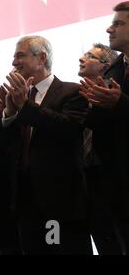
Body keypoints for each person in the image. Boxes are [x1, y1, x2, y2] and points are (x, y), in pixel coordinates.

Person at [0, 35, 92, 254]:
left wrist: (25, 105)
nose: (14, 63)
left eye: (19, 56)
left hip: (59, 203)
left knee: (61, 250)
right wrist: (10, 113)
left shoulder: (72, 92)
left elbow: (67, 129)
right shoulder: (18, 97)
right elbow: (6, 146)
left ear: (41, 58)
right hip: (25, 201)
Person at [80, 1, 129, 254]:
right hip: (116, 183)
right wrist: (91, 108)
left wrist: (121, 102)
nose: (110, 30)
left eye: (118, 24)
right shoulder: (114, 70)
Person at [77, 43, 121, 254]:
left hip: (114, 177)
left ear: (105, 65)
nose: (82, 58)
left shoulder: (117, 95)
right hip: (86, 180)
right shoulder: (75, 96)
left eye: (89, 56)